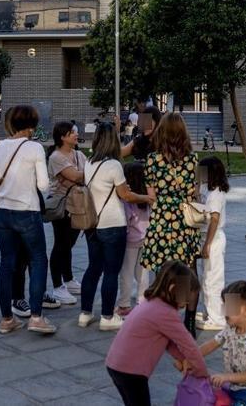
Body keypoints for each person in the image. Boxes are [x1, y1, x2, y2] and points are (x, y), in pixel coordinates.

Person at [0, 105, 56, 335]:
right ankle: (36, 317)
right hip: (28, 211)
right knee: (37, 260)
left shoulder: (2, 146)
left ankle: (7, 319)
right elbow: (43, 185)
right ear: (32, 125)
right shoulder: (34, 148)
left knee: (7, 263)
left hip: (4, 212)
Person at [79, 126, 155, 331]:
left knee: (93, 269)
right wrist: (145, 198)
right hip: (113, 224)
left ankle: (85, 313)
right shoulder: (113, 165)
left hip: (92, 224)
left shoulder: (89, 162)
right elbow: (126, 196)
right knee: (111, 272)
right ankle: (106, 316)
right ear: (113, 140)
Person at [105, 261, 208, 406]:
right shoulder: (165, 313)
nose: (187, 302)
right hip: (131, 371)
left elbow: (168, 342)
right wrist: (202, 374)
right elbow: (189, 345)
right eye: (186, 297)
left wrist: (183, 359)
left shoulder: (150, 302)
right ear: (173, 288)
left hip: (116, 365)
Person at [138, 112, 201, 334]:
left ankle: (166, 320)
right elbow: (195, 194)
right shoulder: (193, 160)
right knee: (189, 271)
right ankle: (189, 323)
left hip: (162, 219)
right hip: (185, 219)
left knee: (163, 272)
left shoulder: (153, 160)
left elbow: (151, 195)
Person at [194, 280, 246, 406]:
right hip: (234, 387)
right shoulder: (230, 329)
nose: (225, 312)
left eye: (229, 307)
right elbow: (212, 344)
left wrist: (226, 377)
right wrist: (191, 357)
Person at [47, 121, 87, 305]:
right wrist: (88, 172)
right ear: (62, 136)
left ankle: (69, 279)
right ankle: (57, 286)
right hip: (62, 206)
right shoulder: (56, 157)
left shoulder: (78, 154)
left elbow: (84, 173)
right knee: (61, 244)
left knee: (69, 244)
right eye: (72, 133)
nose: (76, 135)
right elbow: (76, 176)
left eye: (76, 132)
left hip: (78, 203)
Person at [116, 162, 152, 317]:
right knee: (142, 272)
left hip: (130, 240)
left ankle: (124, 303)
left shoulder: (128, 200)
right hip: (145, 238)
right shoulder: (147, 197)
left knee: (126, 272)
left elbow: (127, 219)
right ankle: (143, 300)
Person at [197, 157, 229, 332]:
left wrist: (207, 244)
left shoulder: (216, 194)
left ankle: (217, 318)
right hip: (211, 237)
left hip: (214, 238)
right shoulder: (208, 189)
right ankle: (214, 313)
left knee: (212, 280)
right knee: (209, 278)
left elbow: (214, 220)